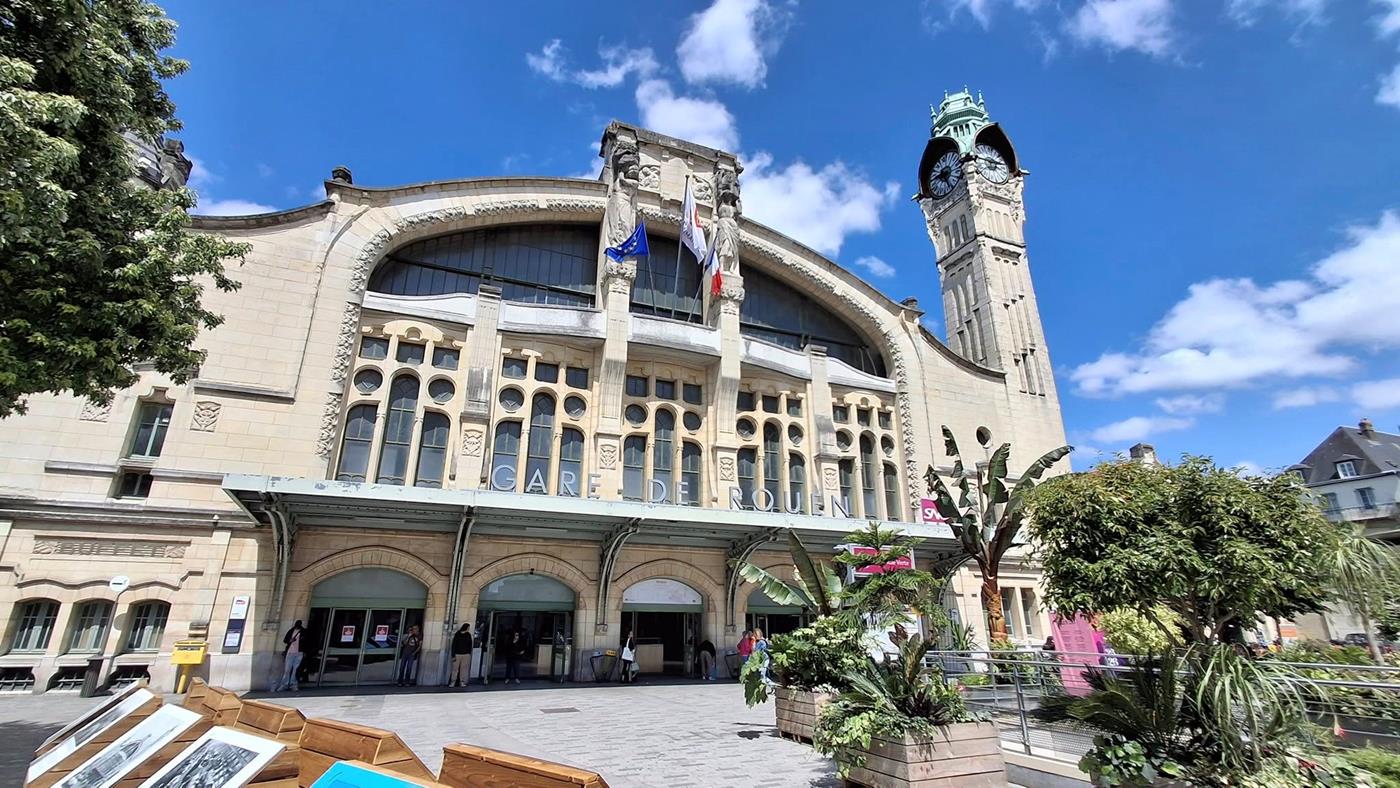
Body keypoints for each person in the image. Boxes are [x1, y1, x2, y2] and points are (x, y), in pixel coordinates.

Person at [276, 620, 305, 692]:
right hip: (290, 652)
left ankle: (293, 685)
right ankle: (284, 684)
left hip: (299, 652)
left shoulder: (304, 632)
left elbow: (306, 642)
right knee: (287, 669)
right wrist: (290, 640)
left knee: (295, 670)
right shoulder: (291, 631)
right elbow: (285, 640)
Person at [449, 623, 473, 688]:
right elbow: (454, 645)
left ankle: (462, 682)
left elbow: (470, 644)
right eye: (468, 627)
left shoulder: (468, 635)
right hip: (457, 654)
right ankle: (453, 681)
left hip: (465, 655)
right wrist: (453, 655)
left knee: (463, 669)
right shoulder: (458, 634)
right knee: (455, 669)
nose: (468, 629)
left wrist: (469, 653)